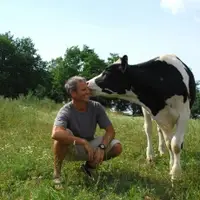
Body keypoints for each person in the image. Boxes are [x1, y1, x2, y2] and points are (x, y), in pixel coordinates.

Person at [51, 76, 122, 184]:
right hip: (72, 148)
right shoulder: (66, 110)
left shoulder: (96, 107)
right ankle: (57, 174)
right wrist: (82, 142)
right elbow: (55, 134)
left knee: (116, 146)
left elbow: (110, 131)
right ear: (73, 93)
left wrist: (102, 147)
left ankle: (89, 167)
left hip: (90, 146)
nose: (88, 92)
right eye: (84, 90)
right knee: (62, 136)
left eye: (88, 89)